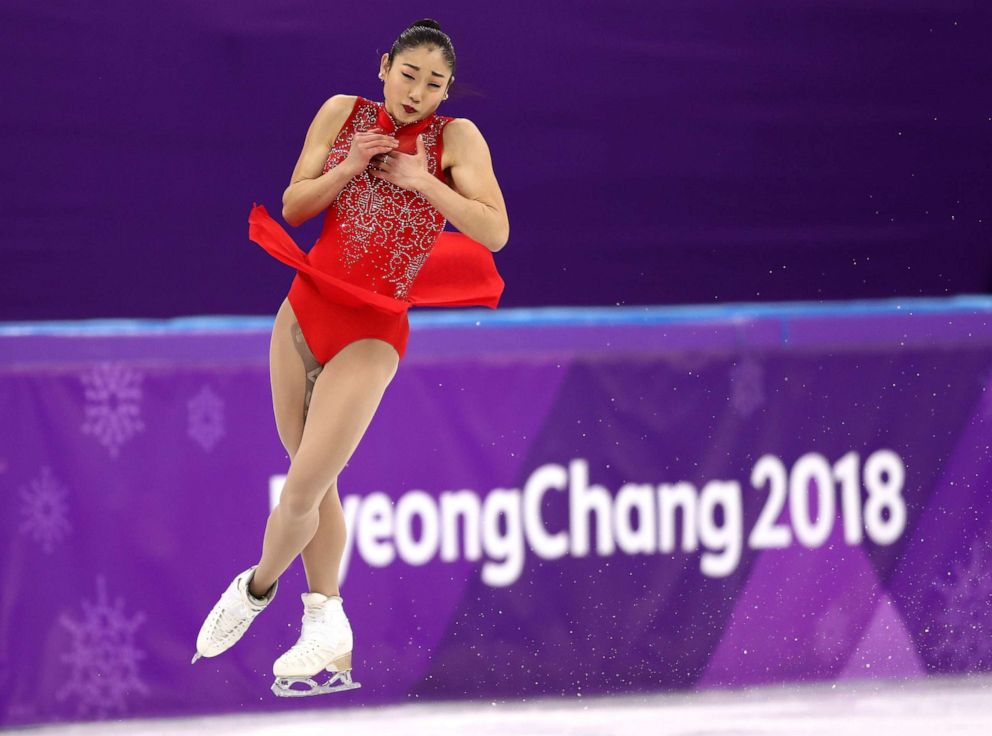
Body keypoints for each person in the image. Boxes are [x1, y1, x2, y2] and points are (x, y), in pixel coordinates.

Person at [190, 18, 509, 697]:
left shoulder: (456, 139)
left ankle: (255, 588)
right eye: (409, 74)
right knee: (315, 477)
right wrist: (350, 164)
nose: (418, 91)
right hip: (303, 313)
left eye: (435, 83)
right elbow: (294, 205)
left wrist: (427, 184)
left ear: (447, 91)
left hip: (372, 331)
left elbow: (494, 230)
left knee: (301, 488)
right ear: (384, 66)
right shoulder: (342, 114)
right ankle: (327, 622)